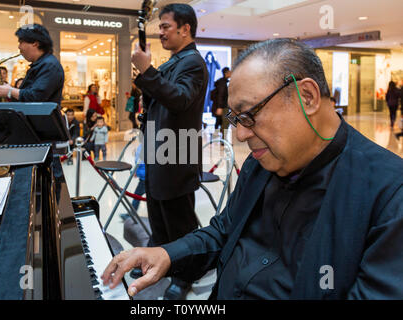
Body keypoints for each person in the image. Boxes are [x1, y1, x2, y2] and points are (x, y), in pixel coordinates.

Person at [102, 38, 403, 300]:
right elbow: (224, 231)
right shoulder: (262, 162)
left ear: (307, 96)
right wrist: (167, 254)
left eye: (249, 115)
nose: (240, 135)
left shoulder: (389, 195)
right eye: (236, 118)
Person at [129, 3, 208, 300]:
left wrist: (148, 70)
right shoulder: (174, 62)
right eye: (159, 26)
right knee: (159, 214)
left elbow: (180, 99)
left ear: (185, 29)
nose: (160, 32)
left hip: (178, 150)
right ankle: (157, 260)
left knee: (179, 220)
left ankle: (186, 273)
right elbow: (160, 99)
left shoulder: (192, 62)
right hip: (161, 148)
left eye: (165, 26)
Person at [0, 24, 64, 105]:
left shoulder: (49, 65)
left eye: (21, 42)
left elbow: (36, 97)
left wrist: (10, 91)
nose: (19, 47)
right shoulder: (41, 64)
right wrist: (9, 91)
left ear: (35, 43)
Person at [212, 67, 231, 137]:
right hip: (223, 106)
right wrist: (220, 107)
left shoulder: (222, 82)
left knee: (219, 121)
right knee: (225, 123)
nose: (231, 73)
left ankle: (216, 136)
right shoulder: (222, 83)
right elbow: (221, 95)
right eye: (229, 72)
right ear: (226, 73)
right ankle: (223, 139)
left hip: (222, 106)